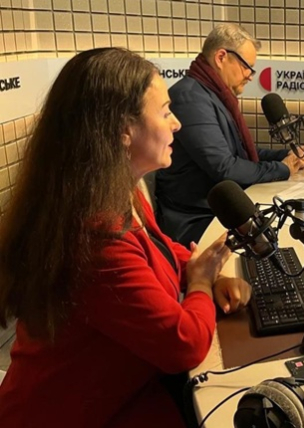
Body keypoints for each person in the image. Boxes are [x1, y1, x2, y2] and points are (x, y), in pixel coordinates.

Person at [0, 48, 251, 427]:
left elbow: (160, 251)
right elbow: (182, 345)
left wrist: (204, 271)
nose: (177, 124)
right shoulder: (97, 233)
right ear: (122, 130)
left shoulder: (117, 192)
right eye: (164, 112)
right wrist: (201, 283)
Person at [155, 23, 304, 247]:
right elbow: (224, 168)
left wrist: (285, 155)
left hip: (214, 211)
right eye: (247, 67)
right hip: (196, 221)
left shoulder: (212, 94)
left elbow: (240, 153)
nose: (250, 76)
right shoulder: (190, 98)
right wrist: (282, 169)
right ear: (221, 57)